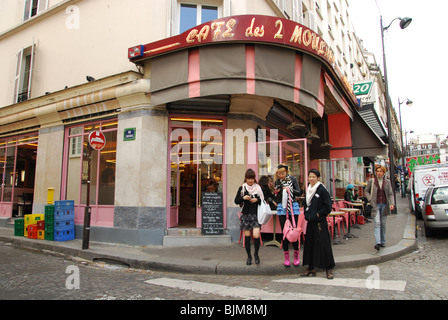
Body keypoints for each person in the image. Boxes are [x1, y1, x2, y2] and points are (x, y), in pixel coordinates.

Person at [301, 168, 335, 279]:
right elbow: (306, 204)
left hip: (320, 223)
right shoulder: (308, 189)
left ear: (318, 178)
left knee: (323, 245)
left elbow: (328, 206)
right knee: (310, 245)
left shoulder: (322, 189)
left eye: (313, 177)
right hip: (310, 222)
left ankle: (328, 269)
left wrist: (318, 214)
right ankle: (311, 267)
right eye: (310, 176)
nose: (311, 179)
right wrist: (307, 213)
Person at [274, 164, 302, 267]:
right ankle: (286, 256)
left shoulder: (293, 179)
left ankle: (296, 255)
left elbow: (299, 192)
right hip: (282, 207)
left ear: (286, 172)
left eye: (282, 173)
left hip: (292, 207)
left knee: (293, 231)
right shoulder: (277, 181)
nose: (281, 175)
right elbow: (276, 195)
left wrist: (289, 190)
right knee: (285, 232)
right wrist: (278, 191)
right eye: (279, 174)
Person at [234, 169, 263, 265]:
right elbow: (236, 200)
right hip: (246, 215)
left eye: (252, 178)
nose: (250, 180)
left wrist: (256, 200)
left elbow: (263, 200)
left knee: (256, 235)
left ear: (254, 179)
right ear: (246, 178)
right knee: (247, 236)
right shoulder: (242, 188)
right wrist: (243, 198)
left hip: (256, 215)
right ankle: (249, 257)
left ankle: (256, 255)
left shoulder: (258, 188)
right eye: (248, 178)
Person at [365, 165, 395, 251]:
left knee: (383, 223)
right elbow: (366, 191)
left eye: (380, 171)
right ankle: (377, 242)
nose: (379, 173)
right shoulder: (372, 181)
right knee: (377, 223)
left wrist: (392, 203)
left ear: (384, 172)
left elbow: (390, 194)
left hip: (384, 205)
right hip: (375, 205)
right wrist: (370, 199)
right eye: (377, 171)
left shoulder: (387, 182)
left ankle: (383, 241)